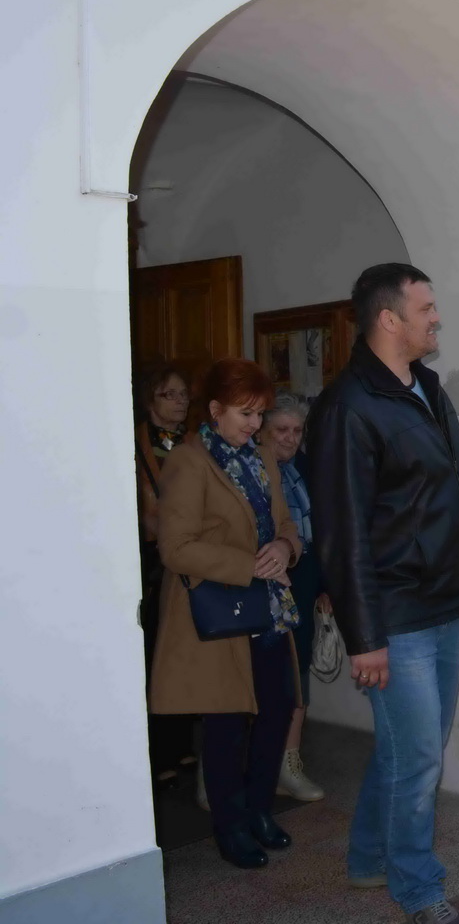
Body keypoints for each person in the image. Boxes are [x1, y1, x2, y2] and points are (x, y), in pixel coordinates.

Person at [308, 263, 459, 924]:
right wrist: (365, 638)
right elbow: (342, 533)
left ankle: (367, 858)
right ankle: (418, 887)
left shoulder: (427, 388)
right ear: (389, 319)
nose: (436, 318)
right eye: (426, 308)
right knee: (417, 759)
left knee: (404, 750)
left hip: (444, 601)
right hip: (395, 612)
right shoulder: (348, 406)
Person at [149, 358, 302, 870]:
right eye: (245, 414)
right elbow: (175, 547)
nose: (255, 425)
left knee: (277, 710)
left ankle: (259, 810)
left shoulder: (263, 458)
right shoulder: (189, 462)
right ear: (215, 410)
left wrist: (285, 547)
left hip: (268, 610)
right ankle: (230, 826)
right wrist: (249, 565)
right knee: (226, 722)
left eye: (260, 414)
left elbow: (286, 523)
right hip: (220, 613)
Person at [259, 391, 331, 802]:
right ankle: (235, 770)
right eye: (281, 430)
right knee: (257, 682)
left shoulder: (304, 468)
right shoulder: (248, 470)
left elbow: (322, 530)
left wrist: (326, 586)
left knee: (298, 673)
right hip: (260, 586)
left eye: (297, 430)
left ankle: (289, 764)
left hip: (301, 583)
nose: (289, 438)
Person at [134, 360, 196, 788]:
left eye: (183, 394)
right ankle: (156, 752)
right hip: (152, 559)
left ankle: (181, 742)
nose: (179, 402)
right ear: (149, 399)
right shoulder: (133, 444)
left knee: (184, 652)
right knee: (155, 652)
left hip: (190, 556)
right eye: (168, 394)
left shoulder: (194, 441)